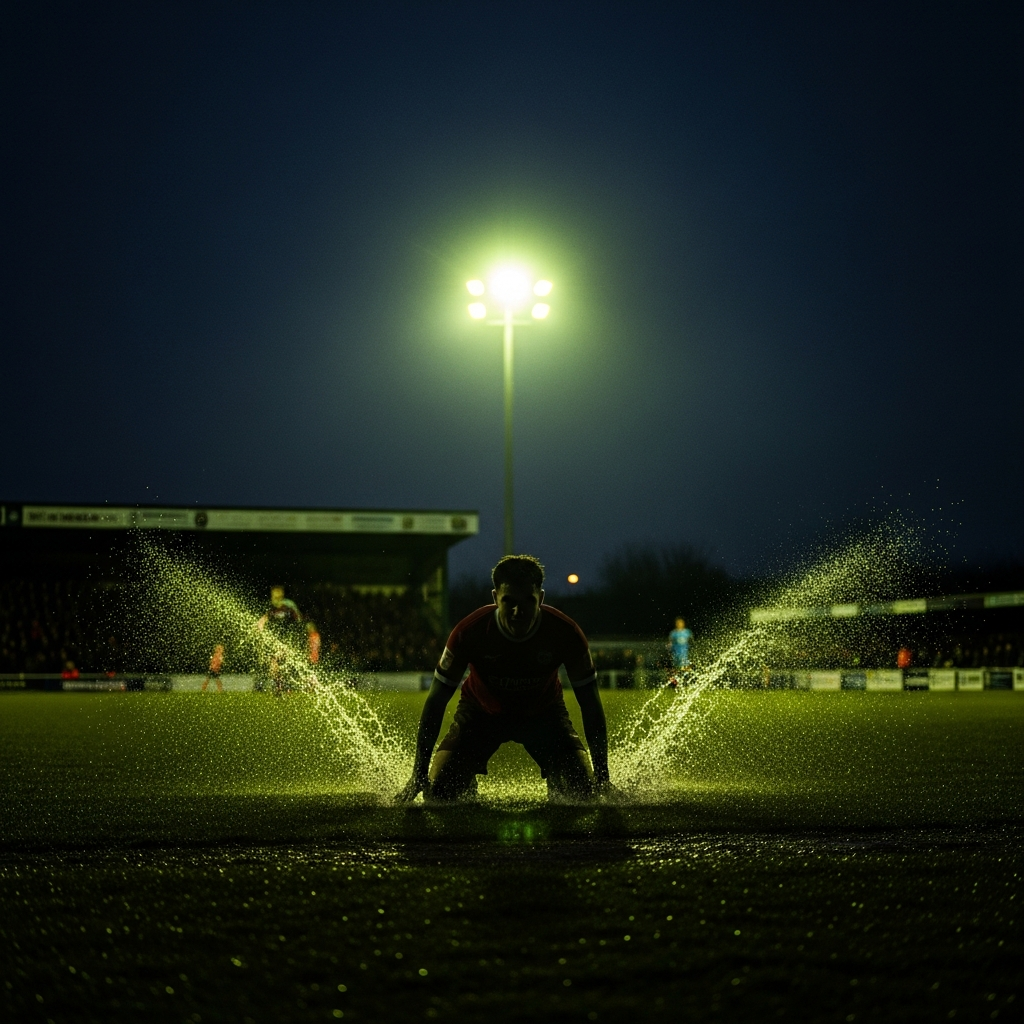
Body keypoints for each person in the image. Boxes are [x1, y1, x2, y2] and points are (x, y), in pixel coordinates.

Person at [395, 554, 613, 803]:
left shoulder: (566, 633)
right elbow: (435, 701)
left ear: (540, 599)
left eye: (527, 602)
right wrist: (419, 773)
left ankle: (560, 778)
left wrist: (602, 776)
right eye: (508, 601)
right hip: (480, 714)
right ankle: (463, 782)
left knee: (582, 793)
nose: (518, 611)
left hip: (544, 716)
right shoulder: (469, 632)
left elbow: (590, 704)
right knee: (439, 792)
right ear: (494, 597)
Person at [256, 586, 302, 695]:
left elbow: (298, 621)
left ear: (281, 595)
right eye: (273, 595)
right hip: (275, 642)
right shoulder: (271, 609)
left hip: (287, 641)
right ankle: (280, 687)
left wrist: (294, 640)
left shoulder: (288, 607)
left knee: (283, 664)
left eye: (277, 595)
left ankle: (286, 687)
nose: (275, 597)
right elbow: (263, 619)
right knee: (274, 668)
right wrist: (260, 625)